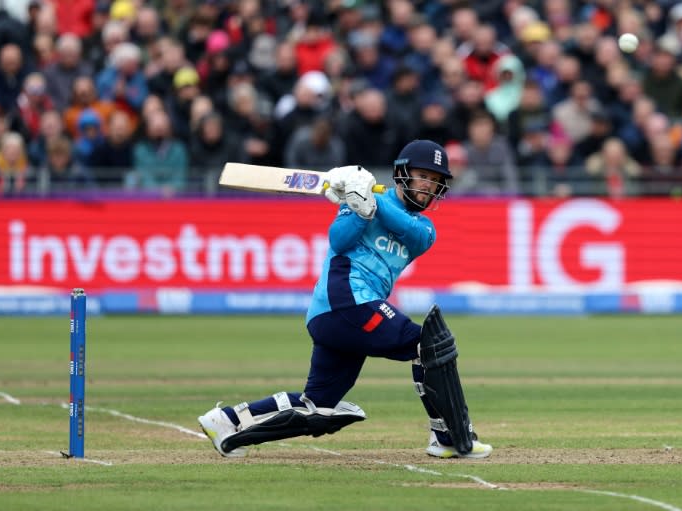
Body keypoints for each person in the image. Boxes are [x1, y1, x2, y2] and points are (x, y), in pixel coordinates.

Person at [198, 139, 493, 460]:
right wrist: (359, 209)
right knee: (428, 346)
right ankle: (448, 436)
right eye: (423, 176)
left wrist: (370, 202)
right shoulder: (355, 201)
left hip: (341, 317)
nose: (429, 186)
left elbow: (411, 232)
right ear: (402, 174)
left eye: (436, 181)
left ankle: (226, 421)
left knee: (319, 406)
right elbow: (339, 240)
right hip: (347, 300)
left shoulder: (424, 227)